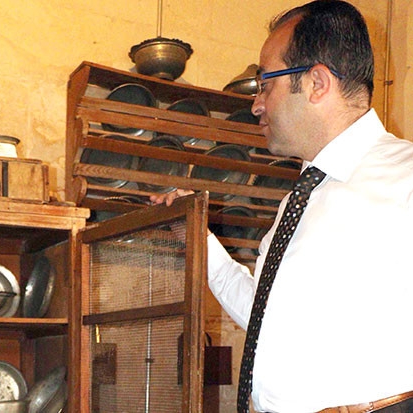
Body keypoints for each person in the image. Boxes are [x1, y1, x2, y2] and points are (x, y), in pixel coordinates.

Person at [151, 1, 413, 412]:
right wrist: (199, 240)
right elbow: (263, 314)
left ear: (316, 83)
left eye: (265, 83)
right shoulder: (300, 197)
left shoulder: (407, 177)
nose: (256, 104)